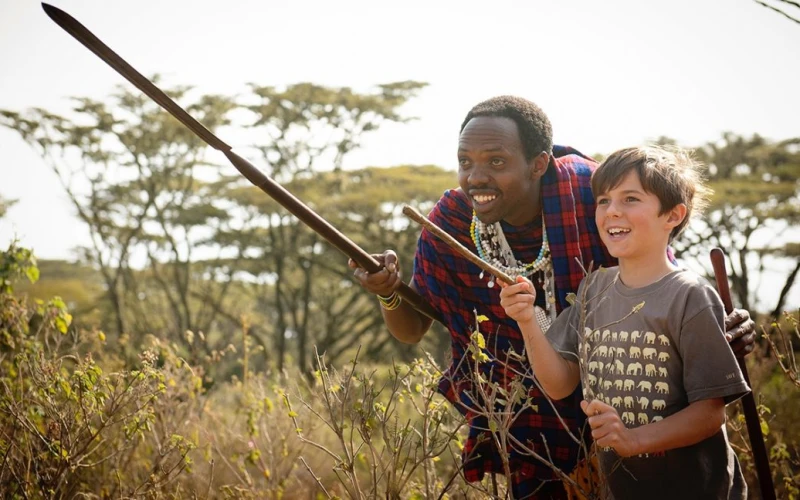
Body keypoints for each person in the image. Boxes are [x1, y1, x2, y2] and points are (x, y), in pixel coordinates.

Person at [348, 96, 755, 498]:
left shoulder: (588, 194)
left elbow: (660, 280)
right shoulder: (452, 222)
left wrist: (714, 323)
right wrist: (389, 292)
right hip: (530, 425)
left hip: (655, 436)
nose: (475, 176)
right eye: (465, 161)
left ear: (539, 164)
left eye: (496, 161)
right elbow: (413, 327)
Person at [499, 145, 749, 499]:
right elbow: (558, 384)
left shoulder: (689, 296)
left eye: (630, 199)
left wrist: (634, 440)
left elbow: (710, 415)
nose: (611, 211)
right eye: (603, 200)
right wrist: (526, 320)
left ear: (672, 215)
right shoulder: (593, 288)